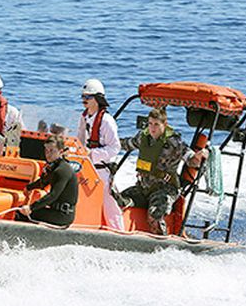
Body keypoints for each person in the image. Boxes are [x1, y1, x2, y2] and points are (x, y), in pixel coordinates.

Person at [119, 107, 208, 235]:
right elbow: (127, 144)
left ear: (164, 125)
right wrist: (106, 141)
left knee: (154, 216)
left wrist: (199, 156)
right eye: (150, 124)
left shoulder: (174, 142)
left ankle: (163, 244)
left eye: (156, 124)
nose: (152, 128)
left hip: (165, 190)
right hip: (144, 188)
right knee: (117, 201)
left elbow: (190, 160)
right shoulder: (143, 137)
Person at [76, 78, 124, 230]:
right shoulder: (83, 117)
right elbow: (79, 141)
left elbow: (115, 148)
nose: (84, 100)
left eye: (88, 97)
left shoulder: (107, 121)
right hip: (85, 167)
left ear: (97, 99)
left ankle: (119, 233)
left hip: (102, 170)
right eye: (83, 97)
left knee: (110, 206)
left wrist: (92, 154)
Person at [15, 135, 78, 226]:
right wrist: (29, 187)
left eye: (52, 151)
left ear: (60, 152)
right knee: (22, 209)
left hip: (63, 215)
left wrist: (31, 208)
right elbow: (43, 182)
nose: (48, 154)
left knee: (21, 214)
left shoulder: (62, 170)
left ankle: (21, 239)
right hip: (55, 211)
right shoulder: (53, 167)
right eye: (46, 150)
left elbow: (53, 195)